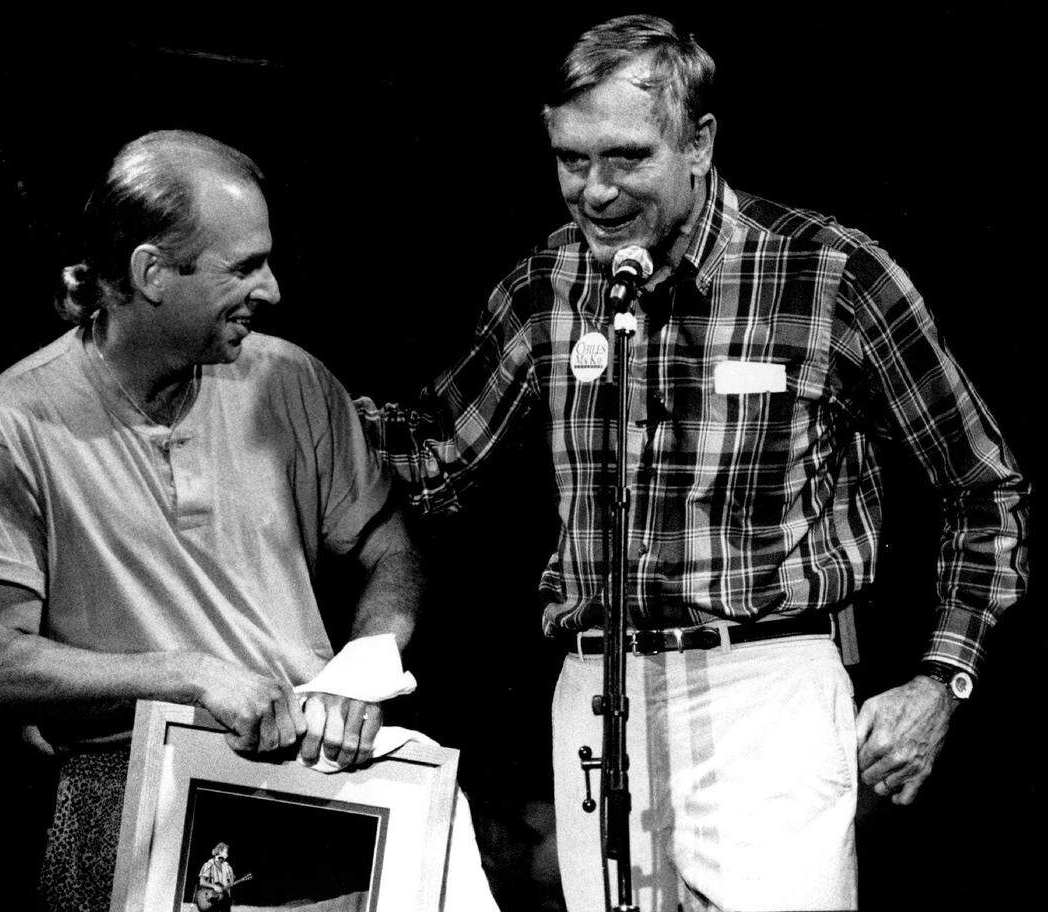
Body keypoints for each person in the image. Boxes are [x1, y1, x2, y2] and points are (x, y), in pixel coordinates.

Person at [357, 14, 1031, 912]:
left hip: (768, 691)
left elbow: (983, 483)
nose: (593, 192)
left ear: (700, 141)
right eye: (570, 159)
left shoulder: (828, 275)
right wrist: (264, 375)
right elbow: (436, 456)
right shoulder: (548, 282)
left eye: (625, 158)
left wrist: (944, 679)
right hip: (597, 691)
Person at [0, 130, 434, 911]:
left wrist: (362, 670)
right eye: (243, 267)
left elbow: (389, 550)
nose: (271, 290)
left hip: (312, 786)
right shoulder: (10, 424)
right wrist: (187, 674)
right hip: (121, 795)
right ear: (150, 273)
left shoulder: (291, 381)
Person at [197, 842, 237, 911]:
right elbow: (202, 882)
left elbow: (228, 885)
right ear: (219, 852)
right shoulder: (209, 865)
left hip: (223, 899)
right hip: (210, 899)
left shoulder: (227, 867)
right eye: (225, 852)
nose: (227, 855)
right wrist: (214, 886)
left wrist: (231, 880)